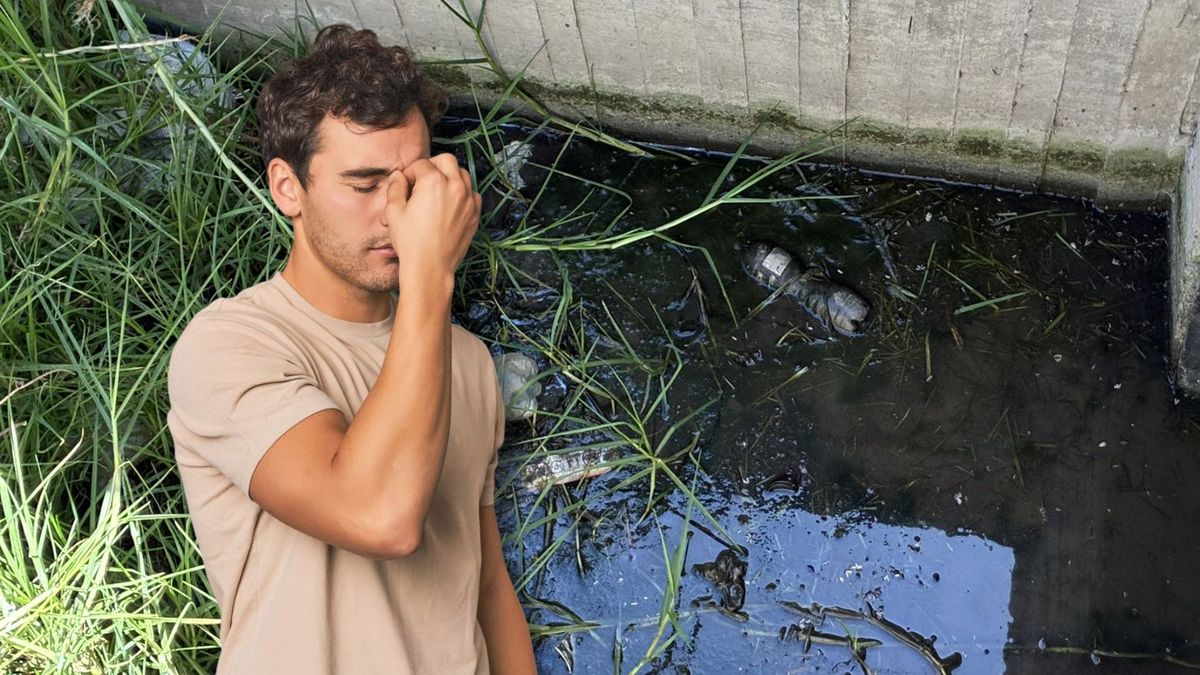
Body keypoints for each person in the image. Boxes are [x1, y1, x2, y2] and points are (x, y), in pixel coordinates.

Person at [166, 24, 537, 674]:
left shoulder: (468, 361)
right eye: (364, 185)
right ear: (288, 187)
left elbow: (484, 585)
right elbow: (380, 517)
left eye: (409, 184)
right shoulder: (228, 346)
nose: (394, 214)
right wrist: (430, 274)